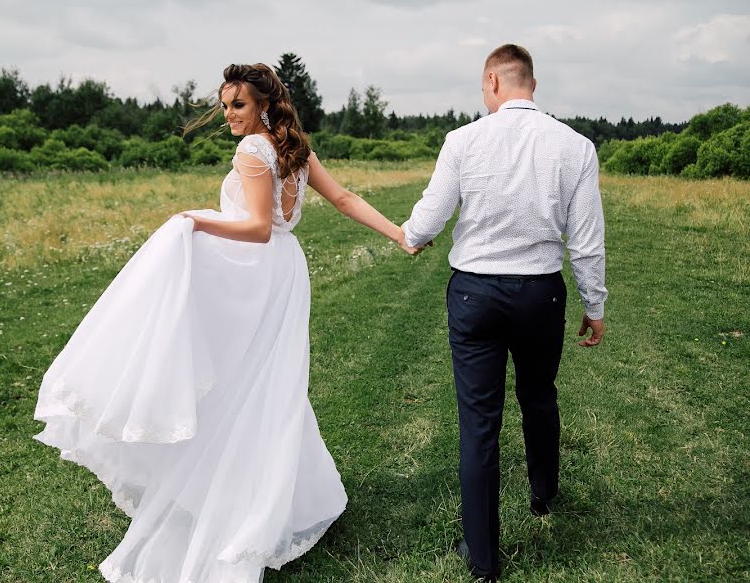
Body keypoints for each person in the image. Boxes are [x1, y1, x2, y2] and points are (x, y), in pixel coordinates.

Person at [32, 62, 412, 583]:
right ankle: (261, 495)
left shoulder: (254, 151)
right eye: (225, 104)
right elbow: (343, 199)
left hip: (255, 272)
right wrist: (398, 234)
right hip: (283, 273)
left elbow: (256, 228)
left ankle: (229, 500)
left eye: (238, 105)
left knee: (237, 386)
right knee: (267, 387)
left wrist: (188, 218)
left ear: (263, 106)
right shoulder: (295, 149)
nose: (228, 114)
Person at [400, 44, 608, 581]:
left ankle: (485, 562)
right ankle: (542, 495)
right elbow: (585, 240)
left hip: (474, 295)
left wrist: (411, 236)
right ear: (530, 83)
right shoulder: (575, 146)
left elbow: (428, 219)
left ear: (493, 80)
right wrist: (595, 304)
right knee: (539, 395)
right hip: (541, 294)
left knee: (479, 423)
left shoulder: (462, 141)